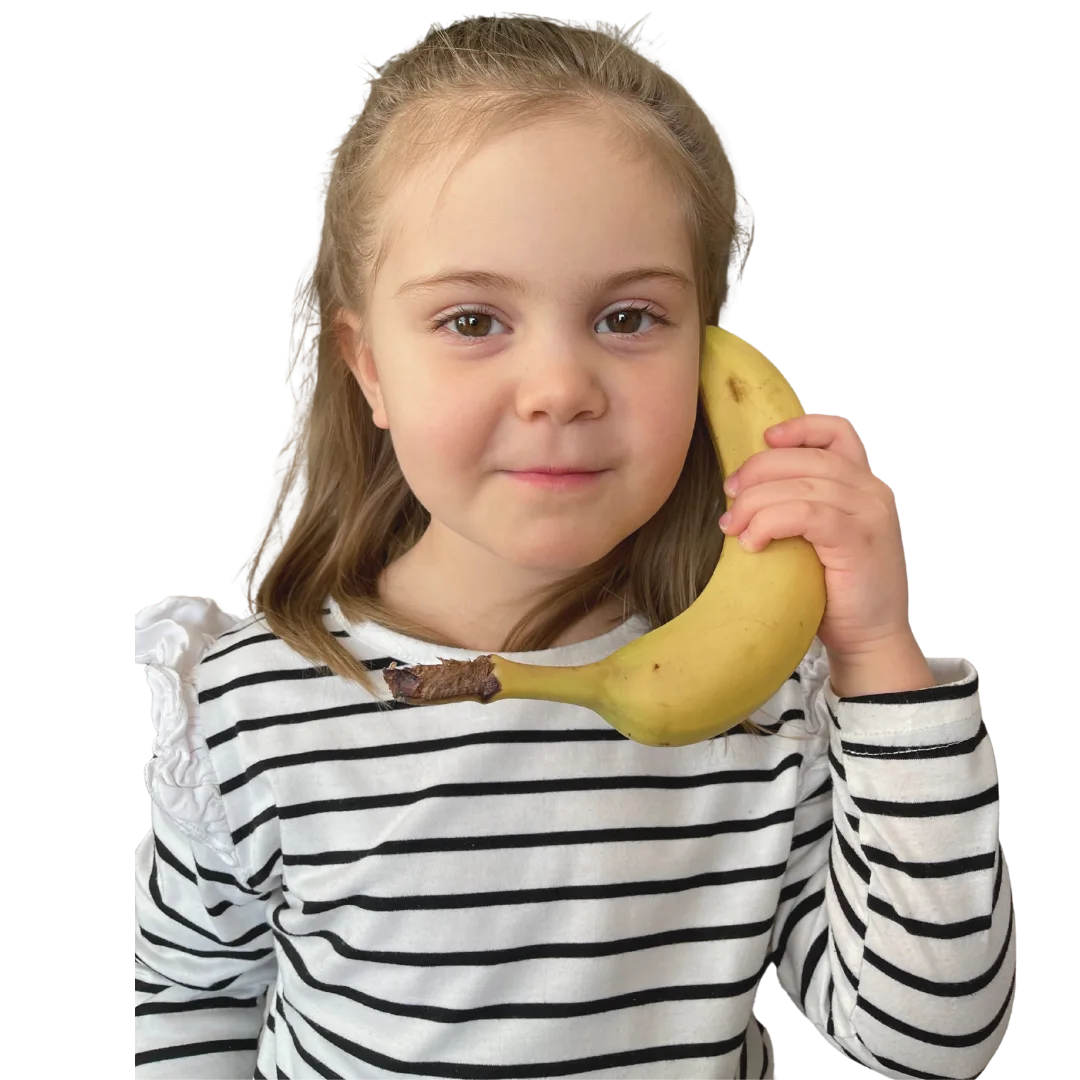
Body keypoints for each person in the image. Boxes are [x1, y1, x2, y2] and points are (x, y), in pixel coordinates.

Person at [127, 12, 1013, 1079]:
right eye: (472, 321)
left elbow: (934, 1041)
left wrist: (877, 658)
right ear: (369, 369)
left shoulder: (766, 700)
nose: (559, 390)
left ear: (708, 357)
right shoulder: (242, 702)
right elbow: (184, 999)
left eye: (630, 318)